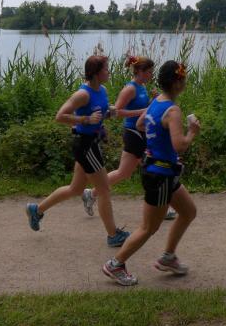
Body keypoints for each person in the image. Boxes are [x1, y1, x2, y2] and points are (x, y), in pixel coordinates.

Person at [102, 60, 200, 286]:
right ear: (177, 83)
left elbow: (139, 124)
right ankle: (115, 264)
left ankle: (168, 257)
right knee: (149, 227)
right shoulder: (173, 110)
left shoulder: (157, 101)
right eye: (184, 79)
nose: (185, 82)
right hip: (160, 175)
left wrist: (157, 139)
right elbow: (180, 146)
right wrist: (192, 132)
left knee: (188, 212)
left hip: (162, 171)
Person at [25, 55, 130, 247]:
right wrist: (85, 120)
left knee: (76, 189)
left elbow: (100, 113)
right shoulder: (83, 94)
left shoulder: (103, 90)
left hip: (91, 142)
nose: (109, 71)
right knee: (104, 190)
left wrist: (109, 113)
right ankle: (113, 235)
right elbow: (60, 116)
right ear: (96, 73)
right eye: (106, 69)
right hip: (85, 145)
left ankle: (36, 210)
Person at [81, 55, 177, 220]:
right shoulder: (130, 89)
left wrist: (153, 101)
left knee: (123, 173)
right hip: (133, 133)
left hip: (141, 132)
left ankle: (91, 193)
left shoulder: (142, 86)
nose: (151, 75)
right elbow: (116, 112)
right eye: (149, 72)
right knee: (153, 167)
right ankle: (161, 206)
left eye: (152, 72)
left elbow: (144, 108)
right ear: (139, 71)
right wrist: (143, 111)